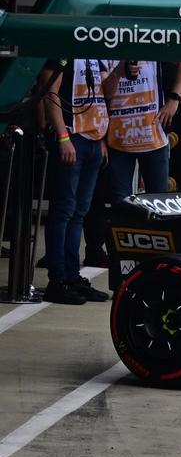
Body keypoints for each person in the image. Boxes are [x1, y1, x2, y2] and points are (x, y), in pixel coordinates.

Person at [33, 56, 111, 303]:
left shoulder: (95, 51)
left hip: (92, 139)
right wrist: (62, 136)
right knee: (64, 210)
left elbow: (103, 93)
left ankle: (71, 275)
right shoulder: (62, 50)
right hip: (72, 137)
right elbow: (49, 91)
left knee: (79, 212)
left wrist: (101, 139)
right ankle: (58, 280)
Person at [103, 59, 181, 201]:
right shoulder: (109, 45)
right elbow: (105, 93)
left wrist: (174, 98)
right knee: (120, 206)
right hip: (118, 141)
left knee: (159, 203)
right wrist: (118, 72)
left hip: (154, 137)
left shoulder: (152, 41)